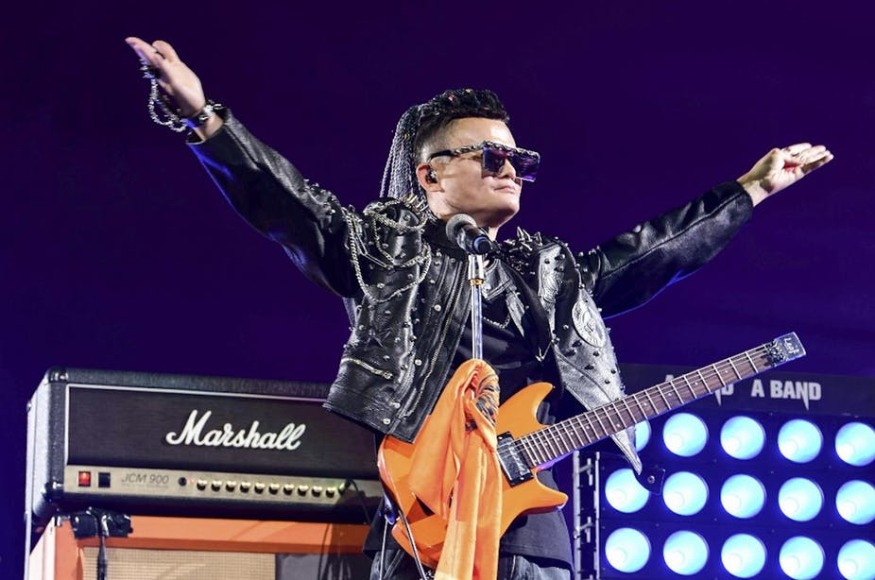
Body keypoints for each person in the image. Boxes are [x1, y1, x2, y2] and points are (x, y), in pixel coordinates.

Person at [125, 37, 833, 580]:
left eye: (518, 160)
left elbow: (650, 253)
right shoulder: (384, 252)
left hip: (526, 532)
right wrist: (204, 118)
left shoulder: (548, 273)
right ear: (429, 174)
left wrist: (748, 190)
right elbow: (289, 204)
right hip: (422, 527)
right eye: (490, 157)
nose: (510, 169)